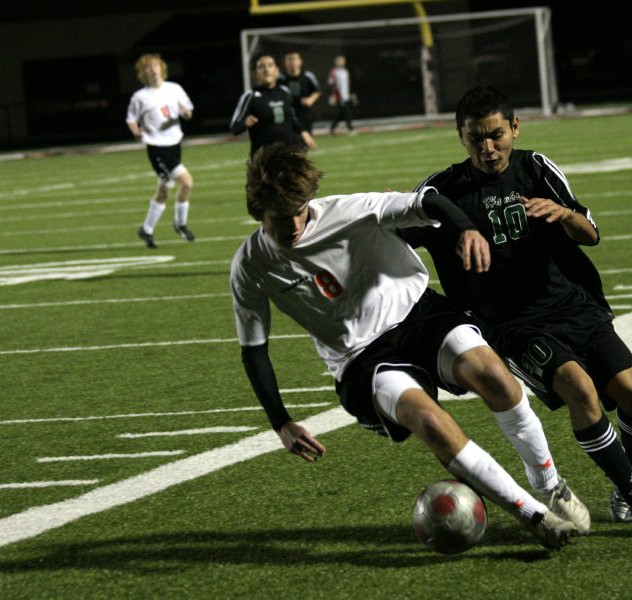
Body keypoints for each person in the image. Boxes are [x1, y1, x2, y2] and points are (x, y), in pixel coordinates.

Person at [230, 141, 589, 549]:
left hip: (419, 315)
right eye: (281, 218)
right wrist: (281, 421)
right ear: (258, 212)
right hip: (360, 359)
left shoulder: (351, 210)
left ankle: (549, 485)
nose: (294, 225)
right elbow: (253, 349)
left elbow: (429, 201)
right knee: (431, 422)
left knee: (495, 377)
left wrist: (466, 229)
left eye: (300, 211)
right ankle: (535, 516)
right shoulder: (250, 265)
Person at [400, 86, 632, 526]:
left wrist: (564, 214)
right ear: (461, 137)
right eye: (476, 138)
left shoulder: (535, 168)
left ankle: (631, 476)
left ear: (515, 126)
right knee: (579, 388)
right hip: (512, 326)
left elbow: (590, 233)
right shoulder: (442, 190)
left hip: (573, 305)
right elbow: (395, 233)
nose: (488, 147)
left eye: (496, 134)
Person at [126, 53, 196, 248]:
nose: (153, 70)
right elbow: (131, 118)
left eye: (155, 66)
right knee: (187, 182)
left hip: (174, 144)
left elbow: (189, 112)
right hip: (157, 148)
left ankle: (147, 229)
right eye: (148, 67)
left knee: (165, 190)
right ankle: (180, 224)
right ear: (143, 73)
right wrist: (136, 131)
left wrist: (185, 112)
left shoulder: (174, 89)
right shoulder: (140, 97)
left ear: (162, 68)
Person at [231, 54, 310, 157]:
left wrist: (304, 133)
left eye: (270, 65)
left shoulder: (285, 92)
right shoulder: (250, 97)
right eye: (261, 66)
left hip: (288, 156)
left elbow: (292, 118)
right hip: (263, 159)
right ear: (255, 73)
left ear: (277, 70)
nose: (266, 70)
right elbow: (235, 128)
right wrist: (244, 123)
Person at [279, 51, 320, 149]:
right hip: (287, 114)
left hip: (304, 114)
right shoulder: (280, 78)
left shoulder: (307, 76)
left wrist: (310, 99)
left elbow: (317, 91)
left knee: (303, 144)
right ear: (285, 62)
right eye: (289, 59)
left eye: (294, 59)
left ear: (300, 61)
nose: (292, 62)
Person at [327, 54, 354, 135]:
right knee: (346, 113)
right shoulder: (333, 71)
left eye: (342, 61)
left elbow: (347, 84)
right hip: (339, 96)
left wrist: (350, 94)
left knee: (341, 114)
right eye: (339, 61)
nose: (341, 62)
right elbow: (331, 84)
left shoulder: (345, 71)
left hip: (346, 96)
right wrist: (332, 95)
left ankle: (332, 128)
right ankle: (351, 129)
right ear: (336, 62)